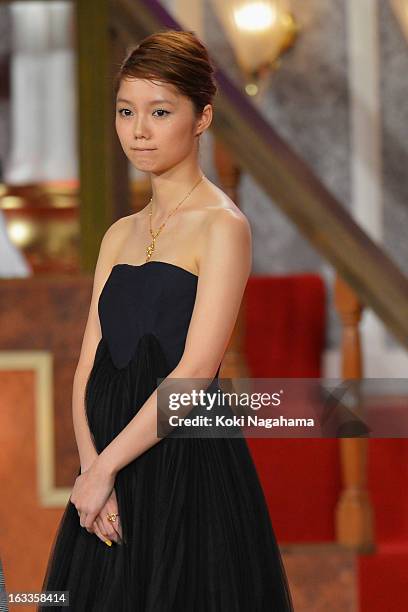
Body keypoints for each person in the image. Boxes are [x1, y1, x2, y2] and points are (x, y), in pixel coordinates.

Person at [38, 29, 294, 611]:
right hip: (104, 472)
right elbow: (88, 365)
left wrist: (104, 469)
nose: (139, 130)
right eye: (126, 112)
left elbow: (196, 372)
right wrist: (92, 474)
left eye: (159, 112)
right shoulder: (117, 234)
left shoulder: (221, 226)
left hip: (183, 463)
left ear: (202, 118)